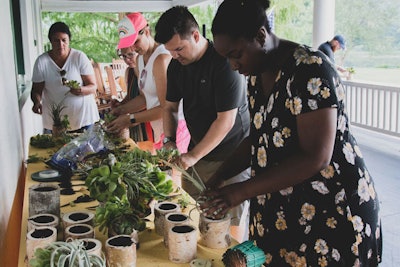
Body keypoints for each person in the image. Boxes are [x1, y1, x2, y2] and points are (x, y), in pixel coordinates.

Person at [199, 0, 382, 266]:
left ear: (261, 35)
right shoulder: (255, 74)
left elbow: (316, 156)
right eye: (227, 57)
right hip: (287, 213)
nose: (233, 65)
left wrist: (240, 192)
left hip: (331, 212)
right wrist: (221, 176)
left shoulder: (309, 69)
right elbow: (258, 137)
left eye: (236, 54)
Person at [154, 6, 251, 242]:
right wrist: (169, 140)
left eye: (179, 49)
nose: (175, 55)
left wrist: (191, 157)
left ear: (196, 36)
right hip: (199, 155)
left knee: (226, 231)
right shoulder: (176, 66)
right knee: (193, 217)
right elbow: (170, 107)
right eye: (170, 51)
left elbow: (225, 121)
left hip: (231, 158)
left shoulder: (223, 62)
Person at [107, 12, 190, 152]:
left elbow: (166, 108)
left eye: (135, 42)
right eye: (129, 44)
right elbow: (145, 97)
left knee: (170, 171)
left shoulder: (161, 58)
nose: (132, 48)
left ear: (146, 32)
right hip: (157, 127)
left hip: (173, 127)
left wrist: (130, 119)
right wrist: (122, 109)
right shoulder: (139, 60)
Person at [31, 21, 99, 133]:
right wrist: (37, 102)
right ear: (50, 41)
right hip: (56, 122)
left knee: (88, 150)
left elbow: (93, 86)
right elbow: (36, 90)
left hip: (84, 118)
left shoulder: (79, 57)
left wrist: (80, 90)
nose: (60, 44)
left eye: (64, 40)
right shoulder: (42, 61)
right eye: (56, 41)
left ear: (69, 40)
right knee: (55, 150)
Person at [111, 48, 150, 141]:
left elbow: (147, 99)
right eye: (124, 56)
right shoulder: (129, 71)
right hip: (132, 118)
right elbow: (130, 95)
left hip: (147, 117)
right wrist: (121, 104)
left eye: (130, 55)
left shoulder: (147, 70)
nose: (127, 60)